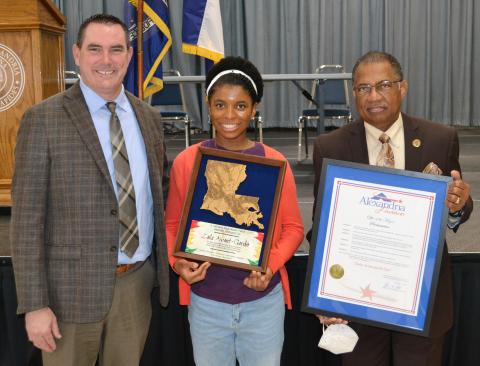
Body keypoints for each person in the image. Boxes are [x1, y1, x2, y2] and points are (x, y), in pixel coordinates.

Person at [10, 14, 169, 366]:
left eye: (116, 50)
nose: (106, 60)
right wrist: (35, 305)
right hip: (69, 296)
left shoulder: (149, 118)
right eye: (95, 49)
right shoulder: (43, 119)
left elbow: (161, 198)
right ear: (77, 54)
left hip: (136, 286)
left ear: (129, 56)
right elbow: (25, 223)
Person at [311, 51, 473, 366]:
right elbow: (321, 226)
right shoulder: (331, 147)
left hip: (421, 301)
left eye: (383, 85)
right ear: (354, 94)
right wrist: (325, 293)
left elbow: (456, 210)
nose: (373, 96)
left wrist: (457, 205)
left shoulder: (440, 140)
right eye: (363, 88)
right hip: (358, 303)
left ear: (402, 88)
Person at [165, 56, 304, 366]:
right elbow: (172, 224)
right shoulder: (187, 162)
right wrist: (178, 264)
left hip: (262, 304)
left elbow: (294, 228)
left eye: (240, 106)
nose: (230, 115)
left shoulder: (275, 163)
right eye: (220, 105)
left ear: (254, 109)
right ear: (208, 105)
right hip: (206, 303)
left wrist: (268, 266)